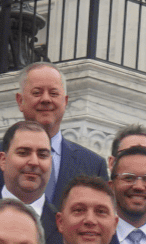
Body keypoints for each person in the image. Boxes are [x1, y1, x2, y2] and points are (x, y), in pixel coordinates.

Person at [15, 64, 107, 204]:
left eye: (53, 93)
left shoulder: (94, 165)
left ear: (65, 101)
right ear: (20, 101)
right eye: (37, 93)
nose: (46, 99)